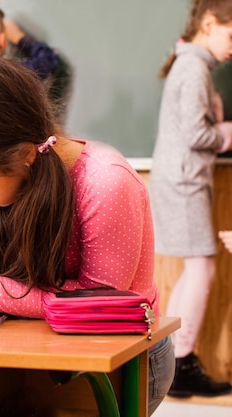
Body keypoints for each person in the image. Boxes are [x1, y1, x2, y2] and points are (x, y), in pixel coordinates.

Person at [0, 54, 174, 415]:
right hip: (47, 350)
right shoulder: (14, 179)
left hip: (128, 357)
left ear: (22, 155)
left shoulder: (106, 182)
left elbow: (100, 303)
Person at [149, 0, 232, 398]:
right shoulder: (194, 67)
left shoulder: (192, 65)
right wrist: (228, 133)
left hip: (183, 179)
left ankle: (175, 358)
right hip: (184, 182)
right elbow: (197, 136)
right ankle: (181, 363)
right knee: (204, 269)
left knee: (196, 268)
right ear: (211, 23)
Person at [0, 2, 72, 267]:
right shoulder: (17, 75)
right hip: (9, 176)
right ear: (1, 40)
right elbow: (49, 61)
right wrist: (21, 38)